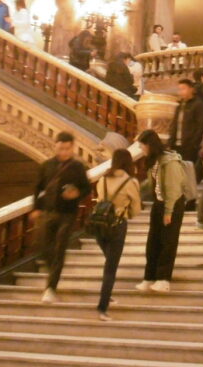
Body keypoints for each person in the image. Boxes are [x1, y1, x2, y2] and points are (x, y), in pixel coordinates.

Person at [30, 132, 91, 303]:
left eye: (67, 148)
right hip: (48, 211)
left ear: (72, 148)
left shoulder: (78, 167)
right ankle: (53, 271)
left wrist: (77, 193)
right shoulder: (47, 165)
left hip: (68, 213)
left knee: (59, 247)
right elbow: (37, 188)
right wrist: (36, 207)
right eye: (60, 148)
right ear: (55, 146)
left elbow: (86, 188)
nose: (64, 151)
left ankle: (51, 287)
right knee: (42, 247)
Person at [136, 130, 188, 292]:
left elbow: (173, 189)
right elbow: (153, 184)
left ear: (149, 145)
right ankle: (149, 277)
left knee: (168, 242)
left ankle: (163, 278)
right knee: (153, 241)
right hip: (158, 203)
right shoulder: (154, 160)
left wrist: (168, 211)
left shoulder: (169, 161)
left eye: (142, 146)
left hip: (172, 204)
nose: (141, 149)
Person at [92, 148, 141, 321]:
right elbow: (136, 208)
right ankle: (102, 308)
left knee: (109, 261)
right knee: (111, 268)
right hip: (117, 226)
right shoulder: (130, 182)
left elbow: (99, 200)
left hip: (98, 225)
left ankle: (108, 293)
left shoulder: (103, 179)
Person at [170, 78, 203, 183]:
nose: (181, 92)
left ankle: (189, 197)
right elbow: (175, 125)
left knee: (189, 176)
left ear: (191, 89)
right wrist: (171, 141)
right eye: (179, 89)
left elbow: (202, 126)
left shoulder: (198, 105)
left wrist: (194, 143)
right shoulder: (180, 106)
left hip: (190, 146)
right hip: (177, 145)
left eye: (183, 89)